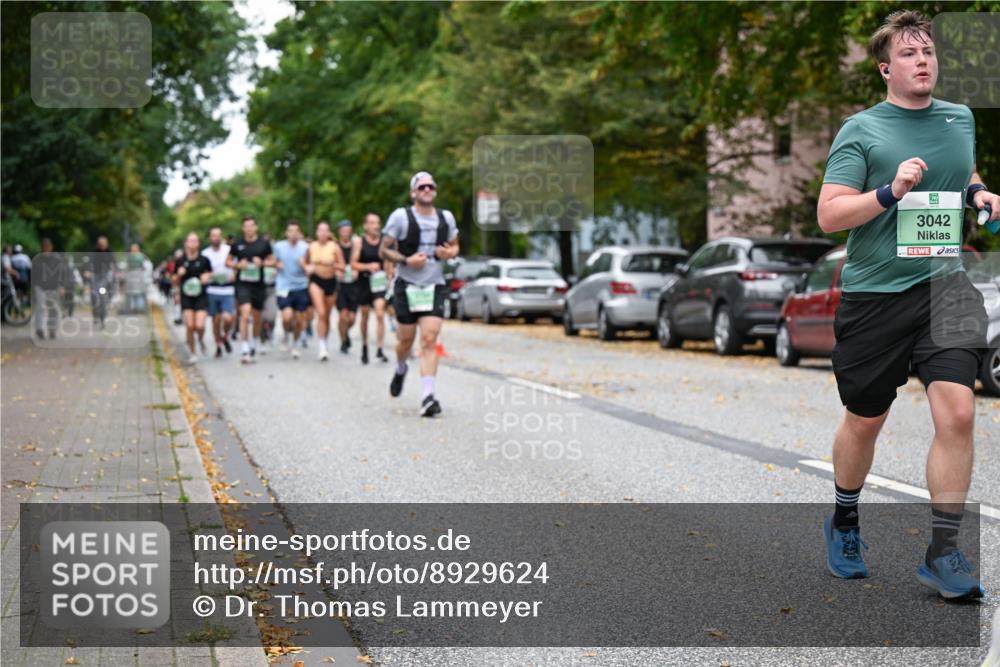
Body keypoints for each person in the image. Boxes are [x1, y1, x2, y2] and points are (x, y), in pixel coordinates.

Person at [817, 10, 997, 599]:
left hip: (944, 285)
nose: (923, 61)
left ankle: (943, 552)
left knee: (960, 414)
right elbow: (830, 213)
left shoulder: (958, 118)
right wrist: (889, 192)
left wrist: (978, 192)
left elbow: (962, 168)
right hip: (876, 295)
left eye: (929, 52)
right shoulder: (861, 130)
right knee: (866, 419)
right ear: (885, 68)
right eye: (910, 54)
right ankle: (845, 518)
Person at [379, 171, 459, 417]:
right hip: (407, 285)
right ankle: (401, 367)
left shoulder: (446, 218)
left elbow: (455, 245)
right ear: (413, 192)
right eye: (422, 186)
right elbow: (384, 249)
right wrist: (406, 259)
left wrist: (449, 253)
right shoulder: (401, 217)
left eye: (430, 186)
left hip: (434, 285)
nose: (427, 190)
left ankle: (427, 397)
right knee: (405, 340)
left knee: (429, 340)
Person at [226, 216, 275, 364]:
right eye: (246, 226)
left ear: (256, 227)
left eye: (251, 226)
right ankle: (245, 348)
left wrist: (264, 263)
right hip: (243, 284)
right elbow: (227, 261)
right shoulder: (237, 245)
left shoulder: (264, 244)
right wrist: (237, 265)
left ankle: (253, 341)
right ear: (243, 228)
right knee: (245, 313)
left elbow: (273, 261)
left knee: (257, 317)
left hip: (258, 285)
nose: (249, 228)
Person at [353, 212, 390, 364]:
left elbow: (388, 261)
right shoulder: (359, 242)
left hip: (380, 282)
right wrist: (367, 266)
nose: (376, 226)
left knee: (380, 313)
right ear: (365, 226)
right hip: (364, 281)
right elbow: (353, 263)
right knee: (365, 315)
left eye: (378, 223)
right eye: (373, 223)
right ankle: (365, 345)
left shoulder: (384, 241)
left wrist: (388, 275)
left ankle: (380, 348)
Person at [304, 220, 344, 361]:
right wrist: (307, 268)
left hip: (330, 281)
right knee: (320, 313)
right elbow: (305, 262)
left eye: (325, 230)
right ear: (316, 232)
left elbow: (342, 266)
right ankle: (321, 346)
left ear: (329, 233)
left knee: (326, 316)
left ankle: (324, 342)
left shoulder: (334, 247)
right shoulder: (311, 246)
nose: (322, 233)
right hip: (316, 281)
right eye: (320, 230)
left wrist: (333, 264)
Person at [273, 220, 310, 359]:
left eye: (296, 231)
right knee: (287, 316)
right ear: (286, 233)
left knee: (300, 319)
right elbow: (272, 261)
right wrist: (277, 264)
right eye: (291, 231)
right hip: (284, 286)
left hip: (301, 286)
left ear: (299, 233)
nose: (293, 234)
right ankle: (285, 334)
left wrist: (304, 265)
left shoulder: (305, 247)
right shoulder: (279, 246)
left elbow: (310, 267)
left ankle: (295, 343)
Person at [174, 232, 212, 364]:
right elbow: (174, 280)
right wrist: (179, 275)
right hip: (186, 297)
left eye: (195, 241)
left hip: (201, 296)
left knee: (200, 325)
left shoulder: (204, 260)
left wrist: (207, 277)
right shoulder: (180, 261)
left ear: (198, 244)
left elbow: (210, 273)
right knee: (190, 326)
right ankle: (192, 352)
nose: (193, 244)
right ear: (186, 243)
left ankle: (200, 339)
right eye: (190, 241)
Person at [203, 226, 236, 358]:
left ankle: (225, 336)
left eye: (218, 235)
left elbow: (236, 264)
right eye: (213, 235)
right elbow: (203, 272)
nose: (216, 238)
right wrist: (206, 276)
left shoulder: (229, 250)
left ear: (221, 237)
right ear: (210, 238)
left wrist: (234, 273)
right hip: (212, 289)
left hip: (227, 289)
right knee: (216, 320)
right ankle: (218, 344)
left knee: (228, 318)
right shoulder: (205, 253)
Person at [31, 238, 70, 340]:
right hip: (39, 287)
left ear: (51, 247)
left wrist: (62, 286)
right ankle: (39, 329)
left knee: (53, 309)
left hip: (53, 287)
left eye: (48, 247)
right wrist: (33, 287)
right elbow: (33, 275)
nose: (46, 250)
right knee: (40, 307)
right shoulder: (37, 259)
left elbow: (63, 273)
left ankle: (52, 330)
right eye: (44, 248)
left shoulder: (57, 259)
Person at [80, 236, 118, 329]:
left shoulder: (110, 251)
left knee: (103, 296)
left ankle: (103, 317)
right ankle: (95, 315)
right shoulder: (94, 251)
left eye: (104, 244)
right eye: (100, 244)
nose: (102, 246)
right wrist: (87, 271)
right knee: (94, 295)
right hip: (95, 275)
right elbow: (89, 261)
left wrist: (117, 271)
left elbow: (114, 262)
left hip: (105, 276)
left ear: (107, 244)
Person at [335, 219, 360, 354]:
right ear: (339, 231)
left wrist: (357, 270)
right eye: (343, 231)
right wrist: (337, 270)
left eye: (348, 231)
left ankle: (345, 333)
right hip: (341, 286)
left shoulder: (356, 246)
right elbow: (332, 263)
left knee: (351, 319)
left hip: (354, 285)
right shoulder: (335, 247)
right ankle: (343, 340)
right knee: (343, 315)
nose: (345, 233)